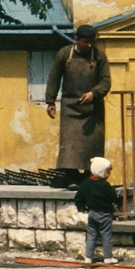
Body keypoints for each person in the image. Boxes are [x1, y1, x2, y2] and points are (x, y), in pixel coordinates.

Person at [44, 24, 111, 185]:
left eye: (91, 42)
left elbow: (106, 81)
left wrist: (94, 93)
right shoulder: (64, 54)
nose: (89, 45)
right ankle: (71, 177)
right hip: (70, 108)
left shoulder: (99, 56)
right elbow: (54, 77)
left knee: (92, 148)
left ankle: (91, 177)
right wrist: (50, 101)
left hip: (93, 111)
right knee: (70, 146)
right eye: (85, 41)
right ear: (76, 39)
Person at [74, 155, 116, 264]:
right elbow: (113, 196)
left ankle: (88, 257)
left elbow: (78, 197)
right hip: (105, 214)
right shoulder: (104, 185)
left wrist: (82, 208)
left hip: (92, 213)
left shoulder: (85, 184)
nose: (109, 174)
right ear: (101, 171)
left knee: (91, 235)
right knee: (106, 235)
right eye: (107, 172)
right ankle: (108, 258)